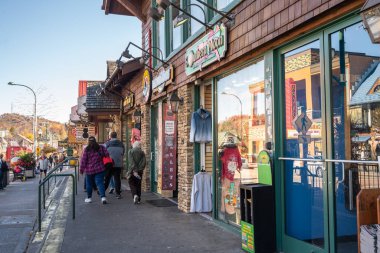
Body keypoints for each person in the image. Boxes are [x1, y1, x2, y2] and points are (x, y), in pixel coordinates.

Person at [80, 136, 108, 204]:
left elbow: (84, 160)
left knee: (89, 184)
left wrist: (81, 169)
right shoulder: (101, 147)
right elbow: (107, 154)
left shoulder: (87, 149)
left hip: (89, 170)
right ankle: (103, 197)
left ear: (88, 142)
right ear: (95, 141)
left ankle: (89, 198)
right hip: (100, 169)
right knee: (100, 183)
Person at [104, 132, 125, 199]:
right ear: (116, 136)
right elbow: (123, 153)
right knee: (117, 179)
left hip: (109, 164)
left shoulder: (107, 144)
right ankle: (118, 194)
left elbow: (104, 153)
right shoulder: (121, 144)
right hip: (118, 164)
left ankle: (102, 191)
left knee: (107, 178)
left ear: (110, 136)